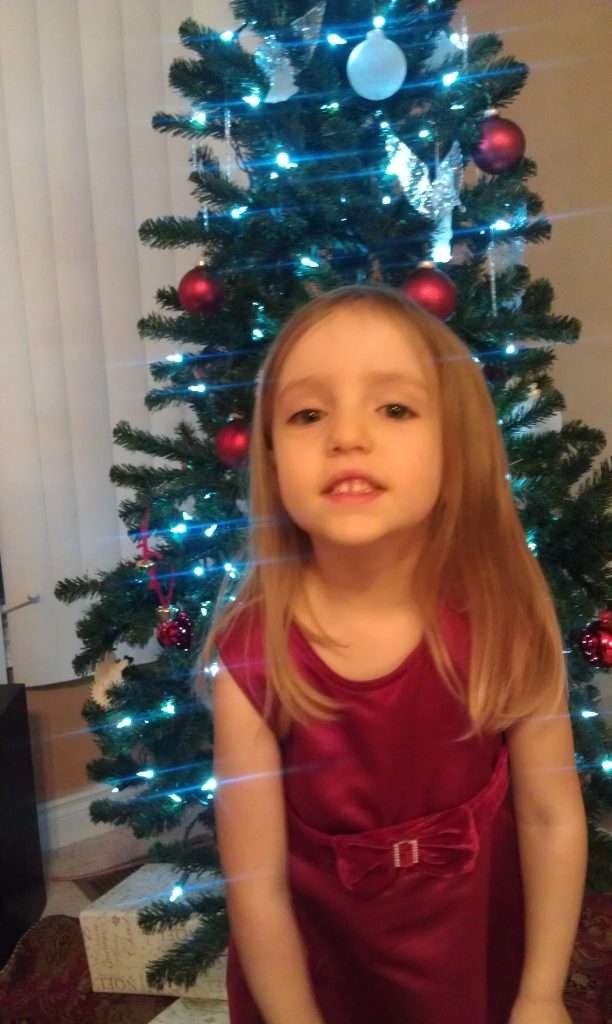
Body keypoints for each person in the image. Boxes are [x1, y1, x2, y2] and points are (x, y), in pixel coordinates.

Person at [197, 283, 585, 1024]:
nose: (347, 436)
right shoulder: (252, 664)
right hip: (321, 986)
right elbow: (257, 889)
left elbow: (551, 819)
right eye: (309, 414)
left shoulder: (507, 626)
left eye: (395, 408)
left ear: (455, 446)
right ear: (272, 459)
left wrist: (541, 993)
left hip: (478, 969)